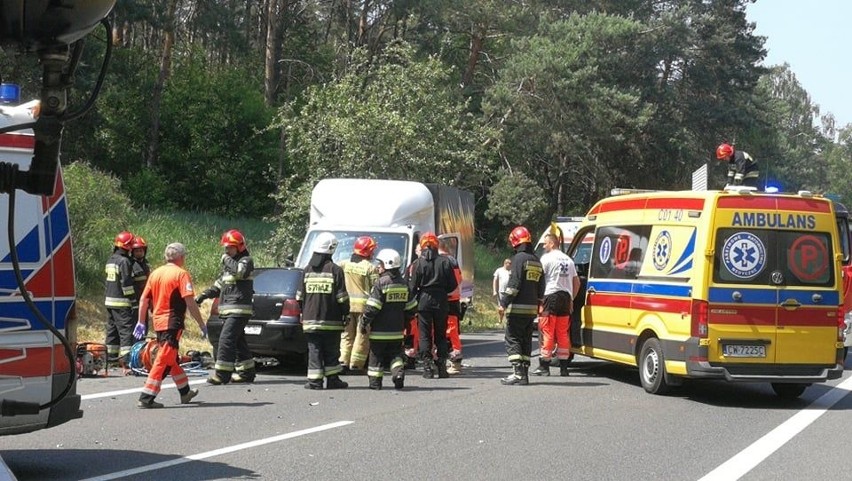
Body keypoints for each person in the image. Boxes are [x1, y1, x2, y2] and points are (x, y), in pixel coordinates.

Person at [133, 242, 206, 408]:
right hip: (172, 322)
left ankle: (185, 391)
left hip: (158, 322)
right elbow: (189, 301)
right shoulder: (181, 274)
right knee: (163, 359)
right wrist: (201, 323)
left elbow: (144, 299)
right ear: (181, 257)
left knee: (171, 358)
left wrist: (140, 321)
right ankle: (146, 397)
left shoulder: (155, 273)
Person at [196, 229, 256, 385]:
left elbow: (240, 273)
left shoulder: (246, 261)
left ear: (240, 247)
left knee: (226, 339)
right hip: (229, 310)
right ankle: (247, 372)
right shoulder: (229, 265)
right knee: (237, 341)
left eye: (229, 248)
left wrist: (225, 259)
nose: (226, 251)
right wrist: (203, 295)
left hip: (239, 310)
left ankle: (222, 374)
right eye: (225, 248)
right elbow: (219, 285)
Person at [297, 232, 350, 390]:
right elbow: (342, 298)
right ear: (332, 249)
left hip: (310, 320)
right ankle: (332, 380)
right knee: (332, 351)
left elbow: (299, 297)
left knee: (314, 350)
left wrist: (304, 313)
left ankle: (315, 382)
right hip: (331, 321)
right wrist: (345, 313)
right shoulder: (335, 270)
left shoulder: (307, 270)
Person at [360, 248, 417, 390]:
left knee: (376, 357)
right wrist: (404, 320)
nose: (378, 266)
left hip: (379, 331)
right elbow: (411, 308)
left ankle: (375, 383)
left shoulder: (381, 283)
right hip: (397, 331)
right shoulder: (404, 284)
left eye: (380, 264)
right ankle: (398, 374)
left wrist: (364, 321)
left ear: (387, 264)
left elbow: (373, 307)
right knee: (395, 355)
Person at [409, 232, 458, 379]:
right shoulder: (445, 262)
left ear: (422, 246)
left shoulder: (418, 263)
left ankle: (427, 367)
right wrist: (441, 290)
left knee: (424, 335)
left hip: (424, 301)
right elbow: (453, 285)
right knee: (441, 334)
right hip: (441, 301)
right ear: (437, 245)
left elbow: (413, 286)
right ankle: (442, 368)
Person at [500, 226, 545, 386]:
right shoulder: (536, 260)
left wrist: (503, 303)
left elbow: (514, 284)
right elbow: (541, 287)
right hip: (531, 309)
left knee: (513, 339)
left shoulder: (518, 259)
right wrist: (538, 303)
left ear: (515, 241)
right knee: (526, 341)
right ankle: (524, 374)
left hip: (517, 308)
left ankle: (517, 373)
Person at [532, 233, 579, 377]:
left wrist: (537, 299)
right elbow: (576, 282)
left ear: (552, 243)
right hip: (565, 298)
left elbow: (538, 279)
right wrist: (571, 298)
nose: (544, 246)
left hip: (550, 296)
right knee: (563, 333)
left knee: (547, 330)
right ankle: (564, 368)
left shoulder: (546, 258)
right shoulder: (569, 260)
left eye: (545, 244)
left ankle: (544, 366)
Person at [338, 236, 379, 373]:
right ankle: (356, 364)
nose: (373, 253)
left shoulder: (343, 264)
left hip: (346, 307)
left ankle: (343, 361)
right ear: (367, 252)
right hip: (364, 308)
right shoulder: (370, 268)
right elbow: (375, 289)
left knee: (346, 335)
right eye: (372, 250)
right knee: (362, 336)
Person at [104, 231, 137, 368]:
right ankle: (126, 359)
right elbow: (126, 284)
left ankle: (111, 359)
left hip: (109, 302)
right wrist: (134, 301)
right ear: (128, 246)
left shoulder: (111, 260)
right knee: (125, 331)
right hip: (122, 302)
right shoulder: (124, 261)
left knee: (112, 331)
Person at [439, 241, 464, 375]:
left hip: (449, 300)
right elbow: (459, 280)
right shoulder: (452, 260)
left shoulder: (446, 261)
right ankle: (453, 361)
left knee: (451, 332)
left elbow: (455, 281)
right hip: (452, 300)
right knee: (451, 331)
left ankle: (455, 362)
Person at [130, 236, 151, 338]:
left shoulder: (145, 264)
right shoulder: (130, 265)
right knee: (135, 329)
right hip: (135, 303)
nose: (139, 253)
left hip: (145, 302)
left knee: (144, 328)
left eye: (141, 250)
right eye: (137, 251)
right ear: (132, 252)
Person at [492, 258, 512, 324]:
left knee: (509, 307)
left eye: (510, 264)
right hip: (501, 291)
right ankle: (500, 319)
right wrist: (494, 290)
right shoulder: (499, 270)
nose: (509, 265)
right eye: (508, 263)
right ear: (505, 264)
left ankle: (508, 321)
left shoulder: (512, 271)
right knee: (501, 307)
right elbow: (495, 280)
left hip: (509, 292)